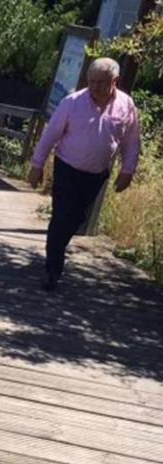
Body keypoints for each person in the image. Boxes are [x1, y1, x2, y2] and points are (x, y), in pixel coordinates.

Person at [30, 57, 141, 292]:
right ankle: (53, 269)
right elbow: (50, 135)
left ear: (115, 81)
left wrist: (128, 169)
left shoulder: (126, 105)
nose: (95, 86)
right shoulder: (72, 103)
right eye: (92, 81)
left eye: (102, 82)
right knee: (61, 216)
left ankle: (56, 249)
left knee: (77, 219)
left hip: (96, 173)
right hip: (67, 167)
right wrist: (37, 165)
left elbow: (131, 141)